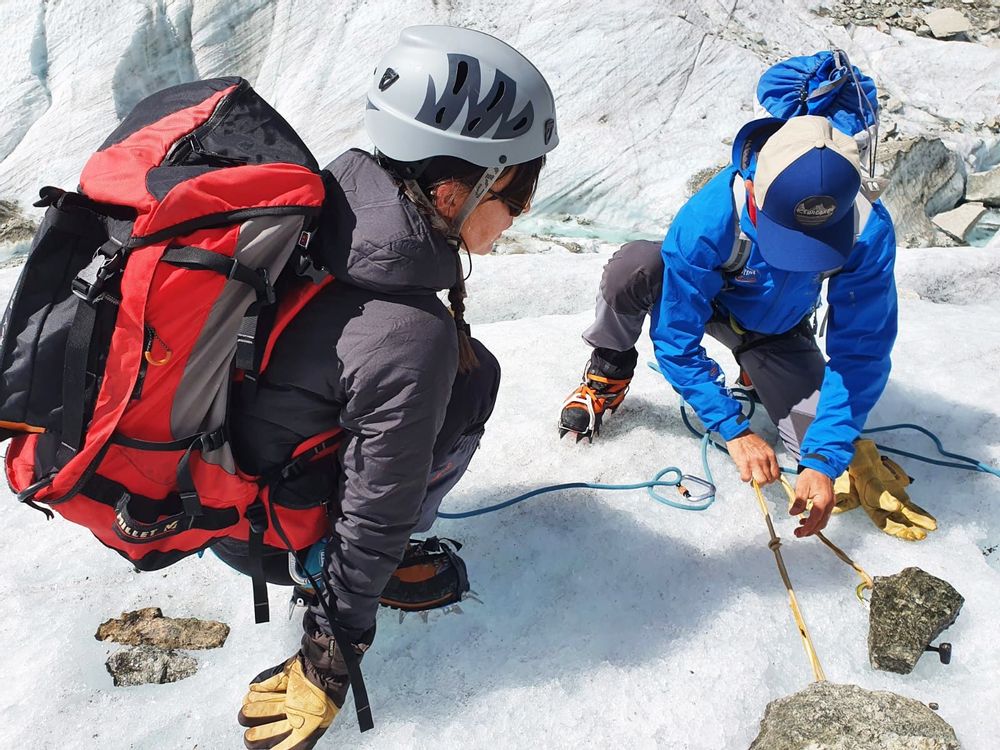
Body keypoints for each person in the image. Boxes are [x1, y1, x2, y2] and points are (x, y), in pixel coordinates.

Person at [214, 25, 558, 750]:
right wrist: (329, 656)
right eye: (518, 191)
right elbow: (379, 501)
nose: (522, 211)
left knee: (461, 371)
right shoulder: (408, 331)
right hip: (264, 533)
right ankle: (315, 562)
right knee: (473, 384)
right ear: (456, 188)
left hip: (222, 485)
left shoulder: (327, 201)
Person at [558, 111, 934, 543]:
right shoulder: (709, 220)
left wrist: (825, 457)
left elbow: (862, 350)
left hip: (777, 329)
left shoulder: (866, 228)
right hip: (709, 301)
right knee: (636, 267)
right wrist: (733, 430)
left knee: (815, 443)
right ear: (754, 187)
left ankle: (759, 370)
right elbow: (676, 341)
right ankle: (609, 370)